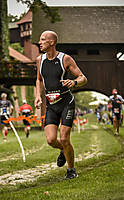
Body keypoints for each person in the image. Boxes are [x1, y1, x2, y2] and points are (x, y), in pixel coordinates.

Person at [34, 30, 87, 179]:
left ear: (51, 42)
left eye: (43, 39)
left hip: (66, 103)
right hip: (51, 105)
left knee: (64, 138)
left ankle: (71, 170)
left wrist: (75, 82)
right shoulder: (40, 60)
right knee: (51, 140)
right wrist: (38, 95)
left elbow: (83, 78)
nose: (40, 42)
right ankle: (64, 150)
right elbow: (38, 79)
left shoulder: (65, 59)